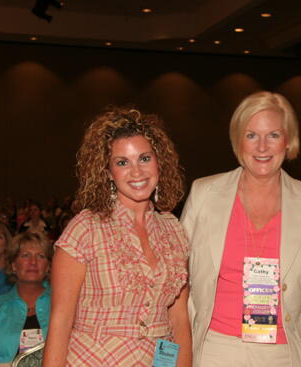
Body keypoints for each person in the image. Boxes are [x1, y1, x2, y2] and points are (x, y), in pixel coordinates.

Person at [181, 91, 301, 367]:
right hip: (215, 350)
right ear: (238, 141)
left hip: (284, 354)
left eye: (273, 135)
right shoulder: (204, 193)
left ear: (289, 141)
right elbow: (179, 280)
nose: (262, 147)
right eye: (251, 135)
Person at [43, 107, 191, 367]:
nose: (136, 172)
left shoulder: (173, 231)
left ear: (160, 162)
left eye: (144, 158)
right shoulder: (85, 229)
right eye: (122, 162)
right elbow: (60, 321)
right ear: (108, 173)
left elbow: (179, 321)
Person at [0, 231, 53, 365]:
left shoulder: (63, 305)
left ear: (48, 267)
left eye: (41, 256)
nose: (33, 262)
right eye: (25, 255)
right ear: (13, 265)